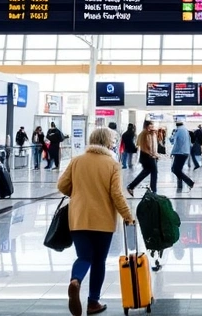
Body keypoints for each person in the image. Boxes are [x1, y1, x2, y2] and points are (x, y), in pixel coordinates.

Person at [58, 127, 134, 316]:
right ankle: (93, 302)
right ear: (108, 142)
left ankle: (75, 280)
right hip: (102, 220)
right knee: (99, 260)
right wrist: (128, 216)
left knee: (84, 257)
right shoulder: (112, 164)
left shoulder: (77, 161)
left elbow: (61, 185)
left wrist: (78, 194)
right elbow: (116, 194)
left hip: (78, 217)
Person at [127, 121, 159, 195]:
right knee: (154, 173)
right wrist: (154, 154)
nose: (152, 127)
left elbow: (138, 144)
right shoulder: (147, 134)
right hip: (149, 156)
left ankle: (131, 186)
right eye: (151, 126)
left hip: (144, 156)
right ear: (147, 126)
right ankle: (153, 191)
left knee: (146, 172)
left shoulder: (143, 133)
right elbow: (150, 146)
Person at [169, 121, 195, 193]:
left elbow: (175, 142)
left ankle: (190, 182)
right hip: (185, 152)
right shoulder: (186, 130)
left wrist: (172, 152)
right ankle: (180, 186)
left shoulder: (178, 131)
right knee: (178, 169)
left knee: (175, 169)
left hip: (180, 152)